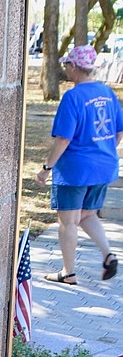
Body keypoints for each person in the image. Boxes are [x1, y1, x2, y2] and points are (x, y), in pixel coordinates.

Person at [35, 44, 123, 285]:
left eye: (66, 65)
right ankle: (108, 254)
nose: (65, 69)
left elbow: (64, 138)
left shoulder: (72, 97)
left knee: (68, 221)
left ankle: (68, 272)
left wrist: (46, 168)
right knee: (87, 214)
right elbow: (118, 131)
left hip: (75, 169)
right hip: (104, 166)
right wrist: (103, 151)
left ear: (74, 67)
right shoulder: (107, 93)